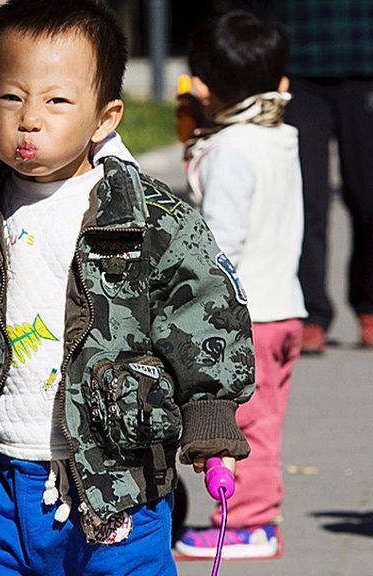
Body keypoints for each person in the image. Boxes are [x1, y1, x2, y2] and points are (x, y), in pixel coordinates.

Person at [0, 1, 255, 574]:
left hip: (118, 481)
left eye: (57, 100)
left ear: (104, 118)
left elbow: (205, 313)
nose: (30, 118)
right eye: (12, 97)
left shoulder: (149, 219)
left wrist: (210, 418)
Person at [172, 10, 304, 560]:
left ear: (201, 87)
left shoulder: (228, 151)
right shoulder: (279, 137)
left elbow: (218, 246)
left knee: (246, 421)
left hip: (247, 316)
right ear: (281, 84)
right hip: (283, 306)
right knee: (264, 417)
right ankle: (252, 518)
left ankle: (250, 524)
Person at [274, 0, 373, 353]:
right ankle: (310, 313)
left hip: (365, 60)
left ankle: (369, 305)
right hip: (298, 63)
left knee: (368, 196)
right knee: (305, 197)